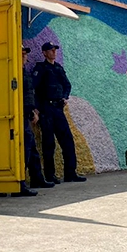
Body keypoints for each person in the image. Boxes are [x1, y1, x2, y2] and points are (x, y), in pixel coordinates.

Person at [32, 42, 86, 183]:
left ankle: (70, 173)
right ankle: (50, 175)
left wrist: (65, 97)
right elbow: (34, 89)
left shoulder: (58, 68)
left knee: (67, 140)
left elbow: (67, 85)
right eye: (50, 50)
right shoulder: (41, 68)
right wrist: (36, 108)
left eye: (55, 49)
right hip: (46, 109)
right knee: (49, 143)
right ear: (44, 53)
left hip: (58, 108)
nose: (54, 52)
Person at [12, 46, 54, 197]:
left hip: (26, 113)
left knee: (31, 148)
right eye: (22, 53)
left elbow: (28, 94)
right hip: (18, 114)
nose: (25, 56)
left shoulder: (22, 69)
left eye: (25, 54)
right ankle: (19, 184)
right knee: (24, 149)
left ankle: (37, 178)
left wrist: (32, 111)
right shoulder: (14, 70)